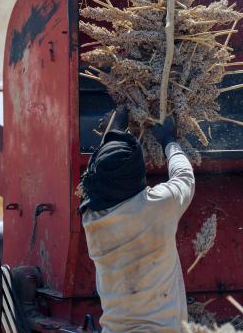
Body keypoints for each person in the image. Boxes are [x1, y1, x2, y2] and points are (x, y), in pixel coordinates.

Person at [78, 107, 195, 332]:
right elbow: (185, 177)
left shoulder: (91, 220)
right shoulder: (158, 205)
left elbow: (101, 172)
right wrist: (169, 139)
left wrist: (117, 120)